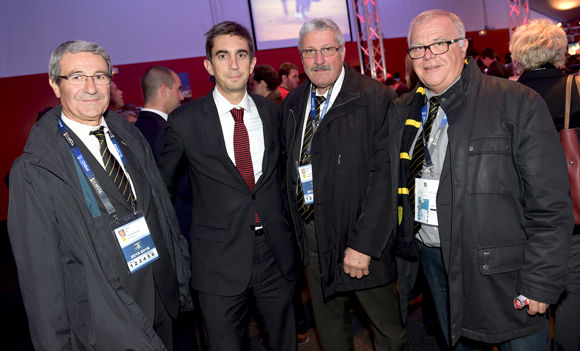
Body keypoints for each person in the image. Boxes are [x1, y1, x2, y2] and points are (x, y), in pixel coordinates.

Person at [392, 10, 573, 350]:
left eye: (439, 43)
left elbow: (549, 204)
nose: (427, 55)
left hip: (504, 272)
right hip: (435, 261)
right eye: (418, 47)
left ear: (463, 47)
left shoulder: (515, 102)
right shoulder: (405, 111)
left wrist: (540, 280)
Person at [7, 40, 192, 351]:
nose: (91, 87)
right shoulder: (35, 170)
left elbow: (162, 210)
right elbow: (41, 280)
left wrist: (181, 276)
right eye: (77, 76)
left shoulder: (130, 135)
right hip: (106, 323)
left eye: (100, 76)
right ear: (55, 85)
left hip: (163, 300)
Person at [157, 21, 303, 351]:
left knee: (286, 344)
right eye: (223, 55)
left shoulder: (272, 113)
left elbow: (282, 178)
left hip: (274, 255)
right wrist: (177, 251)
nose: (233, 64)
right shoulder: (184, 121)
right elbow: (162, 188)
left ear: (253, 63)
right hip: (216, 262)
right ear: (209, 65)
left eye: (241, 55)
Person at [281, 17, 408, 351]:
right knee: (330, 327)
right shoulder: (294, 102)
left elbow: (386, 178)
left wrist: (364, 244)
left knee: (386, 329)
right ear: (301, 56)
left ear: (343, 51)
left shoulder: (376, 98)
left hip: (361, 235)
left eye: (327, 49)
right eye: (310, 51)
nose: (319, 59)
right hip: (312, 233)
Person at [510, 18, 580, 351]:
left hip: (517, 216)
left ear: (518, 56)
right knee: (574, 291)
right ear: (560, 51)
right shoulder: (576, 89)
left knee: (525, 290)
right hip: (569, 211)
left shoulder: (503, 96)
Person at [135, 66, 184, 162]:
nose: (181, 97)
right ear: (164, 90)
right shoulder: (166, 132)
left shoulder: (134, 128)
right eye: (178, 89)